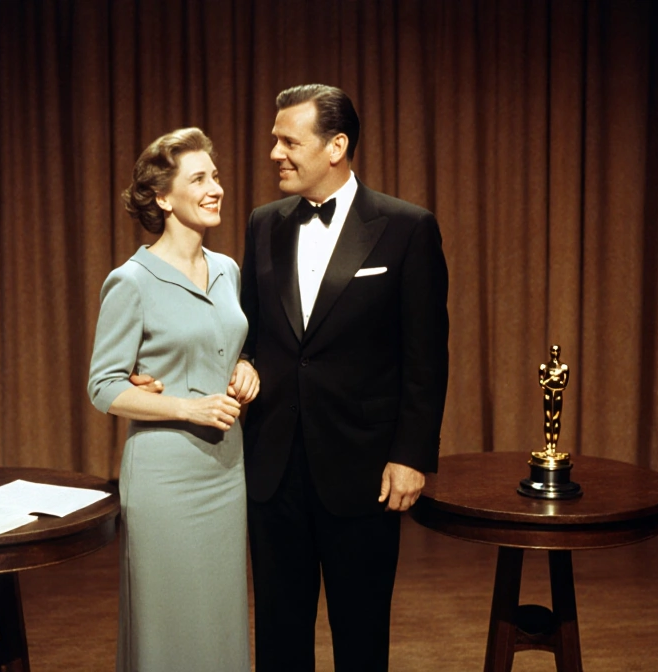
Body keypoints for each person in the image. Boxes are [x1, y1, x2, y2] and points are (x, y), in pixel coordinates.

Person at [239, 84, 450, 670]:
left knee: (361, 637)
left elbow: (426, 356)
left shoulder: (407, 227)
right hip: (274, 467)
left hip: (364, 470)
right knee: (279, 636)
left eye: (289, 141)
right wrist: (239, 362)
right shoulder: (263, 224)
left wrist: (410, 455)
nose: (275, 153)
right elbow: (249, 332)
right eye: (275, 140)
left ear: (336, 146)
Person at [87, 127, 259, 672]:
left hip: (226, 470)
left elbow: (225, 343)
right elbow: (104, 386)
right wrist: (187, 406)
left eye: (216, 176)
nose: (216, 188)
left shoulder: (228, 269)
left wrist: (246, 366)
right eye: (200, 179)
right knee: (168, 621)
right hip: (166, 479)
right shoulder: (131, 281)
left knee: (220, 618)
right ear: (162, 197)